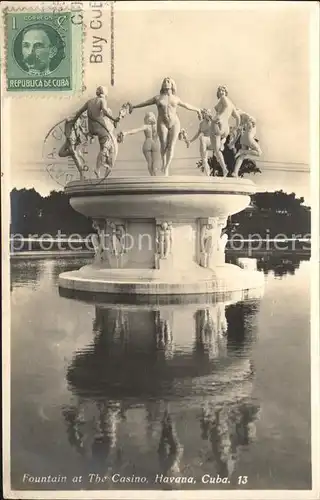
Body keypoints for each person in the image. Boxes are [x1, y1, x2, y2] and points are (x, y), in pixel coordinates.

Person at [127, 77, 202, 175]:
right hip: (162, 122)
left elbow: (186, 105)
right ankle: (163, 163)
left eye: (168, 81)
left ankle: (166, 167)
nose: (166, 83)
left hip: (175, 122)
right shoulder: (158, 98)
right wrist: (134, 106)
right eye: (164, 82)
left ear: (172, 85)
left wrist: (197, 110)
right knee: (164, 144)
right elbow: (146, 103)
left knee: (171, 146)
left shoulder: (175, 98)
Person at [71, 86, 120, 179]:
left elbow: (80, 111)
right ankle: (98, 168)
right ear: (104, 94)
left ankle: (103, 163)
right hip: (101, 128)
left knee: (104, 146)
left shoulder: (89, 102)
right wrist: (114, 119)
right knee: (105, 147)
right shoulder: (102, 100)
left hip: (92, 129)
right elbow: (105, 111)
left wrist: (73, 121)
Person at [210, 85, 241, 177]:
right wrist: (235, 128)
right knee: (218, 147)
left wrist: (219, 117)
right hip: (226, 128)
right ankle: (222, 143)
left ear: (225, 92)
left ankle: (224, 169)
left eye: (222, 90)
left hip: (218, 124)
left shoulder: (223, 99)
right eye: (219, 90)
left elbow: (225, 106)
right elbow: (238, 118)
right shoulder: (232, 104)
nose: (221, 92)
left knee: (216, 150)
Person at [117, 112, 160, 176]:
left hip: (148, 142)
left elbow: (135, 130)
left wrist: (126, 132)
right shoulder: (158, 126)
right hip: (155, 143)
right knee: (155, 163)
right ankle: (155, 176)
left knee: (150, 162)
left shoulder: (146, 126)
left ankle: (153, 176)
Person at [185, 108, 213, 176]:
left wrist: (208, 115)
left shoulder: (210, 121)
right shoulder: (201, 124)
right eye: (201, 114)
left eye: (203, 113)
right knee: (204, 159)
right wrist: (190, 141)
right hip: (205, 142)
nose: (200, 115)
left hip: (211, 140)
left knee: (202, 138)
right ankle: (208, 173)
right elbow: (197, 134)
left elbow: (212, 121)